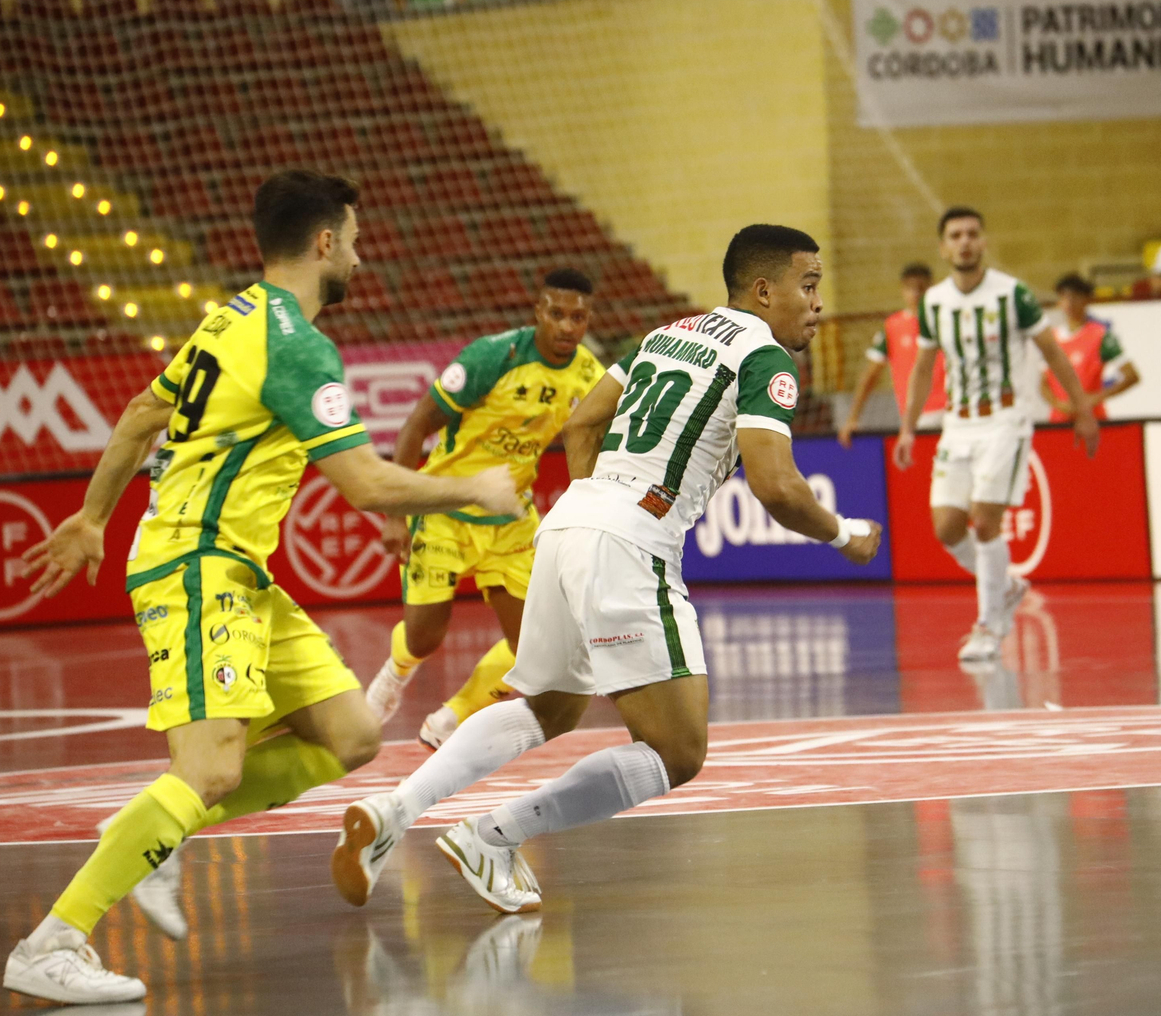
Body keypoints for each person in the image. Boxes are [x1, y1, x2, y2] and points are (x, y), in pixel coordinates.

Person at [2, 171, 520, 1005]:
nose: (359, 252)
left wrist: (95, 517)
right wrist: (475, 489)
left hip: (243, 574)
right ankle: (51, 940)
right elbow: (366, 485)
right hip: (197, 565)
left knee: (352, 734)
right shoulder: (298, 345)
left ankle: (150, 834)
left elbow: (141, 412)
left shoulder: (229, 317)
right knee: (208, 770)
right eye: (353, 237)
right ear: (323, 244)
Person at [330, 224, 882, 913]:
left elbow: (580, 426)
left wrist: (600, 501)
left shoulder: (664, 334)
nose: (818, 303)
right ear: (765, 290)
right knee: (677, 752)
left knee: (549, 704)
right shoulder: (766, 361)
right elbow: (778, 487)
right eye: (810, 284)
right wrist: (844, 534)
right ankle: (492, 836)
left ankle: (390, 812)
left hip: (568, 524)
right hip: (629, 541)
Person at [365, 269, 604, 748]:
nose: (566, 327)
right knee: (424, 640)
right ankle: (396, 672)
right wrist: (395, 514)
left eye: (577, 318)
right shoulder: (493, 357)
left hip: (511, 520)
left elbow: (609, 433)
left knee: (534, 647)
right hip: (445, 508)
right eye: (556, 314)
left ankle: (452, 717)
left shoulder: (587, 374)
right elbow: (414, 428)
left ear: (588, 320)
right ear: (538, 311)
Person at [892, 207, 1099, 666]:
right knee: (947, 528)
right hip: (957, 424)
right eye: (955, 236)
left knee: (985, 522)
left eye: (972, 234)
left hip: (1006, 420)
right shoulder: (934, 303)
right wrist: (908, 427)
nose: (964, 242)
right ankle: (1005, 588)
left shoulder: (1013, 294)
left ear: (983, 242)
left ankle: (988, 625)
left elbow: (1052, 353)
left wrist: (1082, 408)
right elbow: (924, 368)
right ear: (943, 247)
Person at [836, 262, 945, 447]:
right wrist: (853, 417)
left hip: (952, 410)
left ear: (931, 287)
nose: (916, 294)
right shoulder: (892, 327)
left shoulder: (945, 320)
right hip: (918, 416)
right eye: (911, 288)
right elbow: (871, 374)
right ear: (902, 290)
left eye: (922, 287)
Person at [1040, 274, 1140, 422]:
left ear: (1086, 299)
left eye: (1075, 297)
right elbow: (1043, 383)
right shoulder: (1052, 338)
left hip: (1093, 420)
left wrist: (1095, 398)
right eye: (1065, 297)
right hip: (1059, 423)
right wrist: (1058, 404)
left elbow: (1131, 375)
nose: (1070, 303)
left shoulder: (1099, 335)